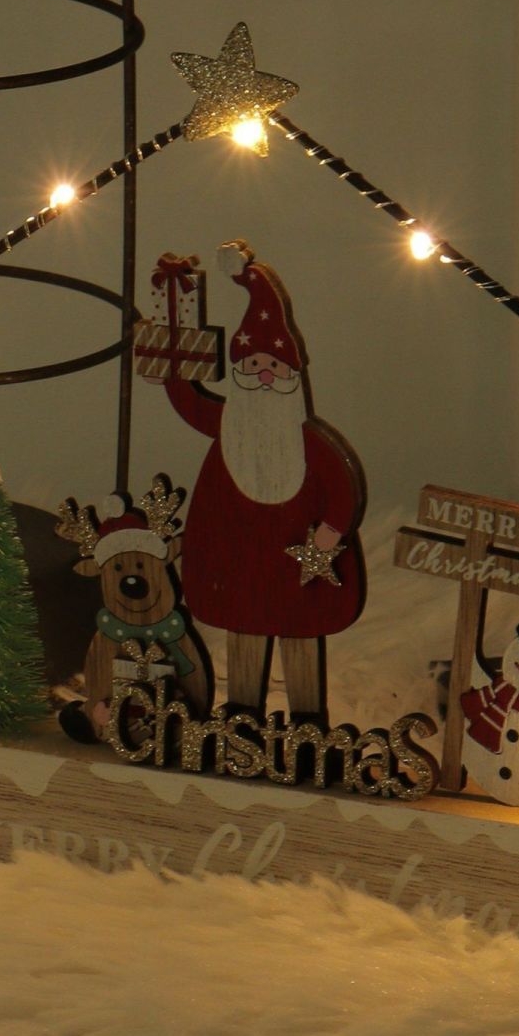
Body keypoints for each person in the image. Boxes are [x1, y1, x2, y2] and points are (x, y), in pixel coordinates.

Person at [157, 240, 365, 719]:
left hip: (302, 570)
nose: (266, 375)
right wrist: (167, 357)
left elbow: (341, 488)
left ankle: (308, 721)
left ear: (293, 376)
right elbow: (187, 401)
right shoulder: (228, 424)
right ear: (239, 372)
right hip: (241, 568)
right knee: (244, 635)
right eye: (254, 365)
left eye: (275, 366)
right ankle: (242, 715)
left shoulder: (309, 443)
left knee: (302, 638)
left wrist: (329, 534)